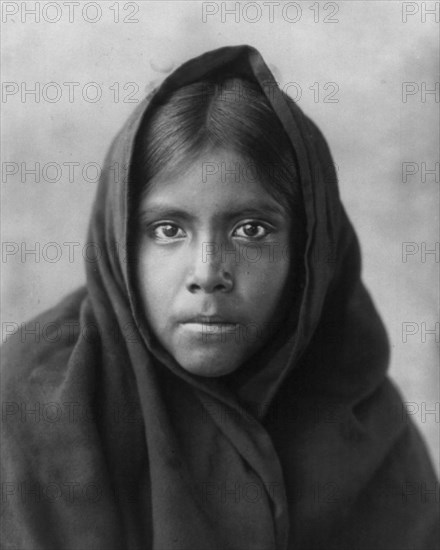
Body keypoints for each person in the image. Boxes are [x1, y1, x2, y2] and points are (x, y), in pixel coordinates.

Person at [2, 45, 438, 550]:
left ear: (308, 250)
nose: (208, 273)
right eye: (167, 229)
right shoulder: (40, 398)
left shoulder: (359, 408)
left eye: (252, 230)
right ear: (119, 241)